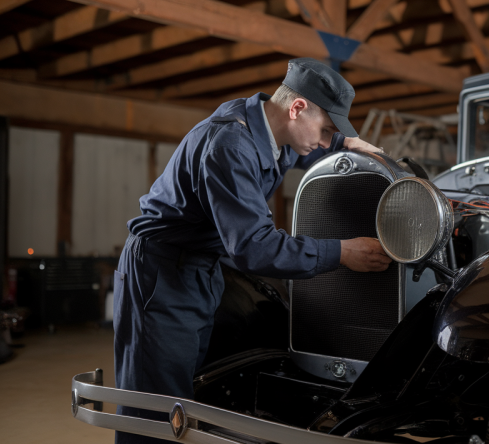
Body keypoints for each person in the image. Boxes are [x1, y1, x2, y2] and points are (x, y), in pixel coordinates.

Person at [113, 58, 392, 443]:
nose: (325, 141)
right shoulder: (230, 143)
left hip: (202, 270)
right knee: (155, 409)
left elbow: (303, 149)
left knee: (187, 399)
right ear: (296, 108)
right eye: (326, 128)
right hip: (161, 274)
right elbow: (255, 249)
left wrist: (347, 143)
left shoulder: (269, 128)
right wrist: (342, 252)